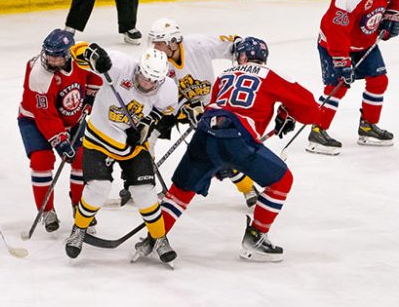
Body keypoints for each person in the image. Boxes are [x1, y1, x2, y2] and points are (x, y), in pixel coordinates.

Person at [142, 37, 329, 262]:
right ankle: (256, 236)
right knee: (282, 180)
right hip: (235, 136)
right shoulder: (269, 73)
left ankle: (154, 238)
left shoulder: (224, 76)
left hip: (204, 132)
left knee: (179, 192)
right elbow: (309, 109)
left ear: (240, 57)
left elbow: (225, 104)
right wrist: (295, 114)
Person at [65, 43, 179, 265]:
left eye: (153, 81)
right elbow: (76, 53)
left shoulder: (167, 88)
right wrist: (93, 54)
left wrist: (148, 122)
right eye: (144, 77)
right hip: (99, 138)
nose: (147, 84)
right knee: (98, 189)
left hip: (133, 145)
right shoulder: (118, 65)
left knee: (145, 192)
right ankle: (79, 229)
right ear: (138, 69)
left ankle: (159, 238)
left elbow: (165, 110)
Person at [146, 18, 259, 207]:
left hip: (209, 106)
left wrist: (243, 56)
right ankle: (143, 183)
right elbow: (160, 95)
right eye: (154, 43)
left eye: (159, 43)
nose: (155, 48)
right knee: (146, 136)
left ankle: (248, 188)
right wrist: (184, 107)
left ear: (173, 42)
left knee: (220, 148)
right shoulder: (157, 63)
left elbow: (235, 44)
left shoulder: (197, 45)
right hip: (176, 106)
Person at [307, 0, 399, 155]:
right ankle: (317, 131)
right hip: (334, 44)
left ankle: (368, 127)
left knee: (379, 80)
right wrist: (342, 62)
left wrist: (392, 17)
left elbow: (396, 0)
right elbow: (336, 31)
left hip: (365, 44)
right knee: (338, 86)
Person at [17, 29, 103, 233]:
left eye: (57, 57)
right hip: (34, 120)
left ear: (68, 54)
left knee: (81, 158)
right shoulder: (39, 75)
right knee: (41, 160)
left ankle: (80, 208)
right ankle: (47, 211)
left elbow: (96, 75)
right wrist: (61, 141)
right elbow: (45, 116)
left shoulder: (82, 54)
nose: (52, 61)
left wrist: (90, 98)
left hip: (72, 120)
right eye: (49, 56)